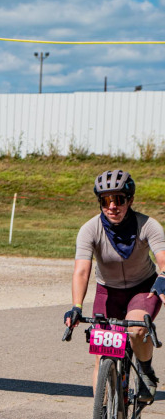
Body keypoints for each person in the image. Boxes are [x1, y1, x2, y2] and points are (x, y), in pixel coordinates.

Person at [65, 170, 165, 402]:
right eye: (105, 201)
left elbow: (163, 258)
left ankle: (145, 371)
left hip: (142, 288)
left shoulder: (148, 225)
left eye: (118, 199)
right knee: (102, 353)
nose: (112, 206)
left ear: (130, 200)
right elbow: (81, 271)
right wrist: (76, 306)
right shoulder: (90, 229)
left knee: (137, 330)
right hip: (108, 291)